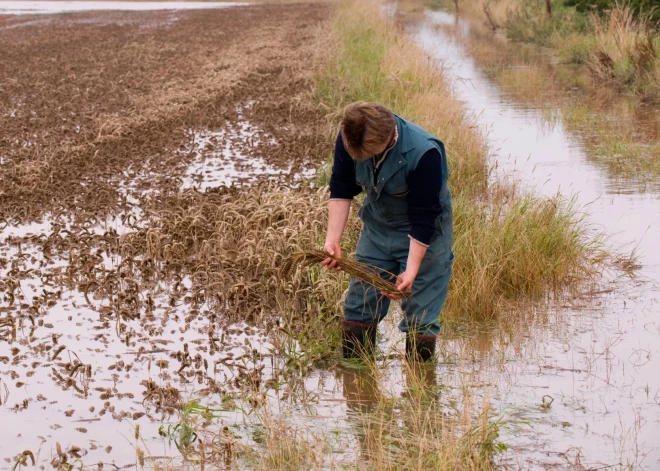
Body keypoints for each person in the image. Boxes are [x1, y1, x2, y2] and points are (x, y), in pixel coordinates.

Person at [322, 101, 453, 362]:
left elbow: (424, 217)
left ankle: (420, 390)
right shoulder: (350, 136)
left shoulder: (424, 153)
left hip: (426, 233)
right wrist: (332, 240)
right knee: (359, 305)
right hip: (378, 227)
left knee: (421, 314)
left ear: (389, 136)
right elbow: (341, 186)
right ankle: (358, 385)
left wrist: (411, 269)